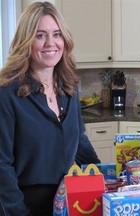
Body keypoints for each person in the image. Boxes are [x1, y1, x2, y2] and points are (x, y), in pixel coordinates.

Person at [0, 2, 101, 215]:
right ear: (25, 41)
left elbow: (79, 139)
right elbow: (2, 164)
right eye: (40, 35)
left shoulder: (69, 87)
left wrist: (103, 176)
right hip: (24, 205)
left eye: (57, 34)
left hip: (67, 202)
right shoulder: (7, 93)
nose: (50, 43)